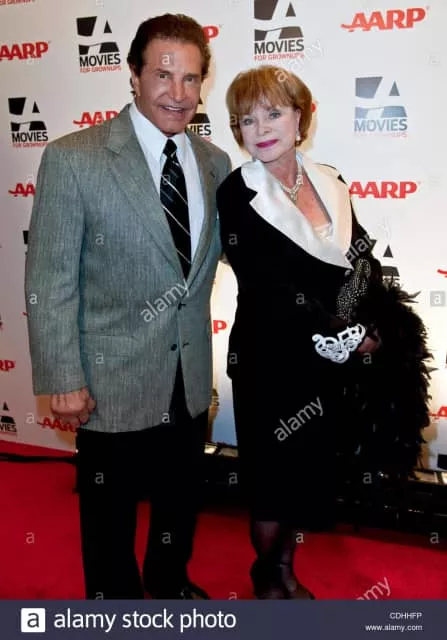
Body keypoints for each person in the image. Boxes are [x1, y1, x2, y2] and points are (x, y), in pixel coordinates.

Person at [25, 13, 231, 600]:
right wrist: (63, 378)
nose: (178, 93)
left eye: (191, 78)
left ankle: (169, 582)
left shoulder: (214, 163)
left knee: (179, 500)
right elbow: (50, 279)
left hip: (187, 375)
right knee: (108, 515)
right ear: (134, 76)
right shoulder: (74, 158)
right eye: (163, 75)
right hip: (107, 381)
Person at [217, 66, 431, 599]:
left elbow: (360, 258)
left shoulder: (330, 181)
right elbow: (267, 282)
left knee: (307, 471)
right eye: (247, 120)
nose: (261, 128)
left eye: (273, 113)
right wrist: (341, 333)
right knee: (272, 479)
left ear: (300, 117)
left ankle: (286, 565)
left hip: (326, 363)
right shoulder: (237, 192)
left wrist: (364, 323)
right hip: (270, 357)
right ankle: (270, 576)